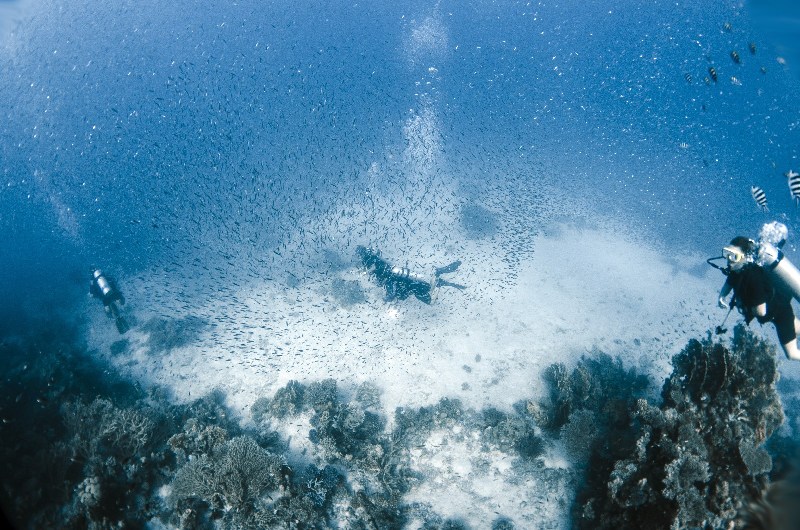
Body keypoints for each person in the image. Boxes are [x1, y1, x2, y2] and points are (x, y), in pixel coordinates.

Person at [717, 237, 800, 360]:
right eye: (727, 254)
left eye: (734, 256)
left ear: (745, 257)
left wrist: (744, 307)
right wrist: (722, 296)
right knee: (796, 328)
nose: (729, 260)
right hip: (778, 310)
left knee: (792, 354)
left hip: (781, 315)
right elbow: (728, 283)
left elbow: (761, 311)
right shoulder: (736, 270)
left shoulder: (753, 277)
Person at [356, 245, 465, 304]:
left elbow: (391, 289)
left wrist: (388, 298)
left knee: (430, 300)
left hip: (410, 284)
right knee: (428, 291)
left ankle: (438, 278)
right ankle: (438, 276)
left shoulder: (385, 276)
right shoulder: (376, 259)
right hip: (410, 281)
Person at [89, 268, 130, 334]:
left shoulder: (93, 280)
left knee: (111, 312)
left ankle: (121, 328)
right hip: (113, 293)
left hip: (105, 298)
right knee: (117, 305)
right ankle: (126, 326)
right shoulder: (103, 274)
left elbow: (92, 293)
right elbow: (113, 280)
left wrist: (98, 296)